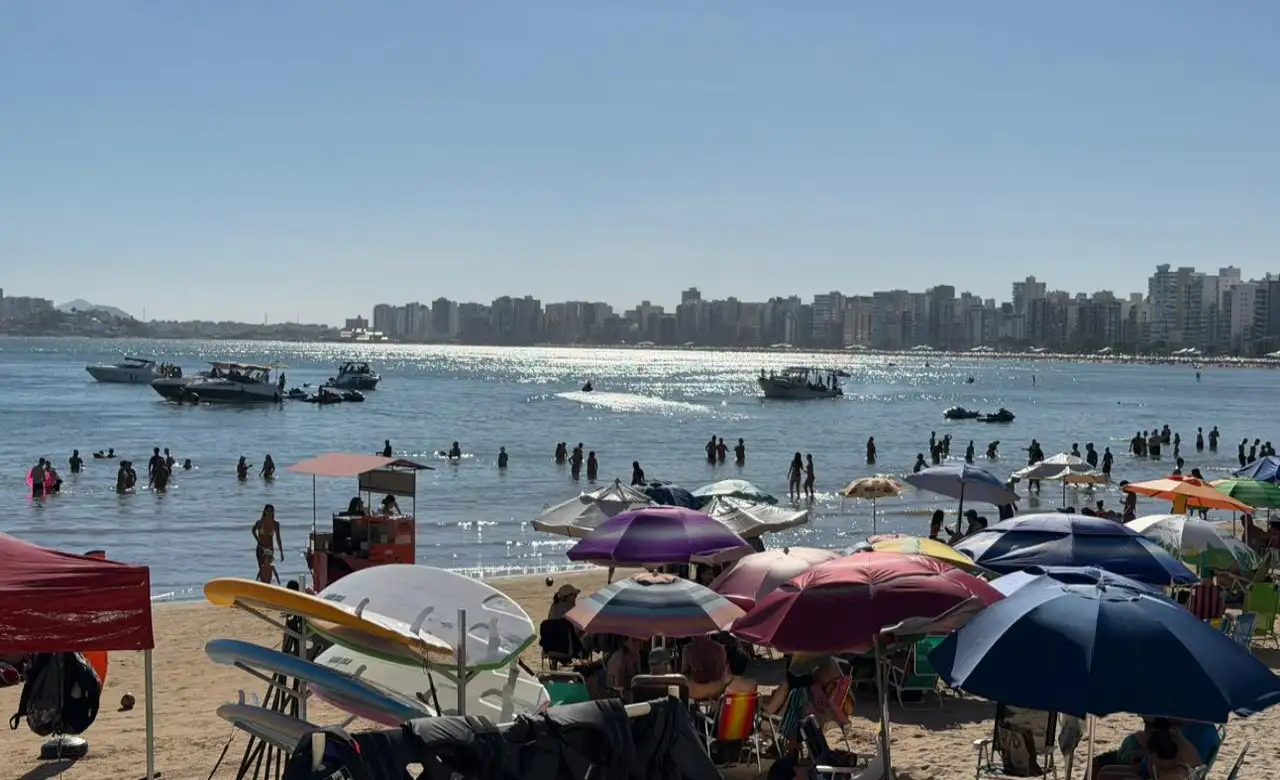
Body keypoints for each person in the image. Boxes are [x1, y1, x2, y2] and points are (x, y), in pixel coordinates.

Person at [252, 504, 284, 577]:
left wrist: (281, 552)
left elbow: (278, 538)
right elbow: (253, 530)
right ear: (265, 512)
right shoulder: (260, 522)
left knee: (268, 569)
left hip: (270, 548)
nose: (270, 512)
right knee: (261, 569)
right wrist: (257, 540)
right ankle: (262, 584)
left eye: (271, 511)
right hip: (261, 548)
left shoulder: (276, 524)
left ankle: (267, 584)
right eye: (268, 511)